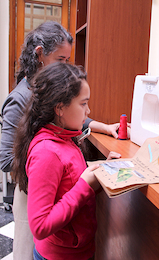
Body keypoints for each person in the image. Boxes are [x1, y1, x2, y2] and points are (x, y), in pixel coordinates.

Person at [0, 21, 122, 260]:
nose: (87, 112)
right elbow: (6, 159)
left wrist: (94, 169)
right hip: (39, 190)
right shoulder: (47, 148)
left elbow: (70, 168)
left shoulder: (62, 137)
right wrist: (49, 168)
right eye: (61, 61)